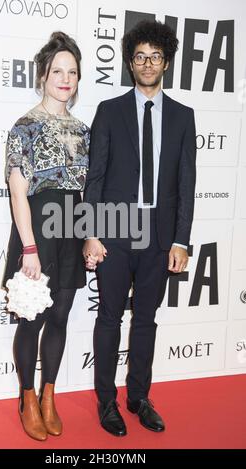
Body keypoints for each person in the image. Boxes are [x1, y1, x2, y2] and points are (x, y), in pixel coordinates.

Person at [83, 20, 196, 436]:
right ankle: (107, 403)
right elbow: (94, 177)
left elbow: (187, 182)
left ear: (165, 62)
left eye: (155, 56)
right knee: (110, 317)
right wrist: (90, 232)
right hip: (113, 228)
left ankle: (139, 397)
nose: (147, 63)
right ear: (130, 63)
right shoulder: (109, 111)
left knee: (146, 318)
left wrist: (181, 239)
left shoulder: (183, 117)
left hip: (160, 232)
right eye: (140, 56)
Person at [2, 32, 89, 441]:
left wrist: (88, 237)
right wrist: (30, 248)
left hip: (71, 229)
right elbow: (18, 193)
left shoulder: (84, 130)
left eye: (72, 72)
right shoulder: (25, 127)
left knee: (59, 317)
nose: (65, 79)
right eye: (58, 71)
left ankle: (50, 395)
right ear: (43, 75)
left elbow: (85, 193)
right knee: (32, 321)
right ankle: (27, 397)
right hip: (37, 231)